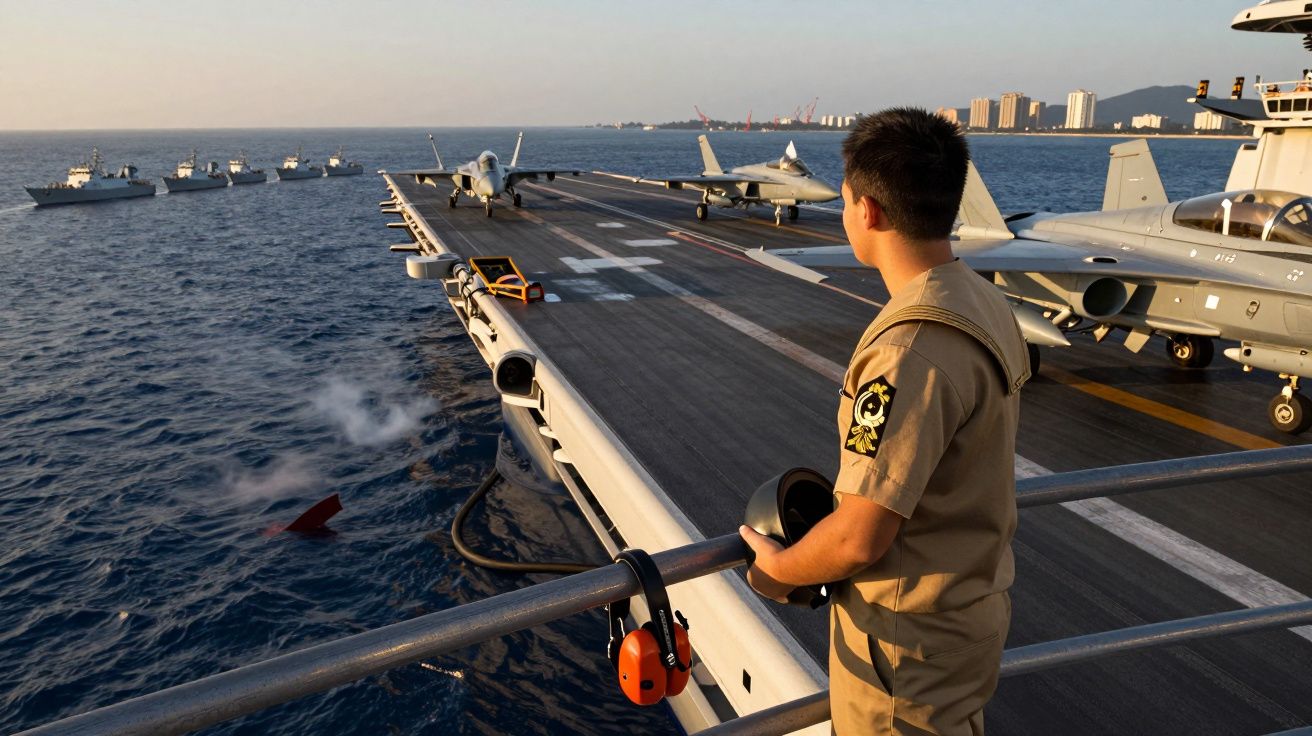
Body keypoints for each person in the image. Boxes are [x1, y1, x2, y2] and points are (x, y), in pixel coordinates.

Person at [739, 107, 1030, 735]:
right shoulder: (982, 300)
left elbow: (859, 537)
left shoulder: (907, 351)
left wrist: (775, 570)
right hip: (968, 617)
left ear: (867, 210)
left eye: (846, 200)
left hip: (906, 649)